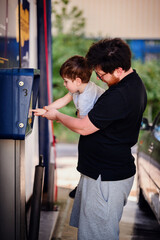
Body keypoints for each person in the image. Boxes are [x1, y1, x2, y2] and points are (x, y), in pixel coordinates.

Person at [38, 38, 147, 240]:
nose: (97, 78)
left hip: (105, 179)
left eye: (100, 74)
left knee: (98, 235)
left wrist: (58, 116)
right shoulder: (132, 83)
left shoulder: (121, 95)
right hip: (101, 174)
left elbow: (84, 127)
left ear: (119, 70)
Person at [33, 55, 105, 198]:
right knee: (85, 154)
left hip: (100, 133)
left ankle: (85, 186)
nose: (64, 84)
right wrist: (45, 110)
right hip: (92, 128)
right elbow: (63, 100)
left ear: (77, 81)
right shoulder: (78, 89)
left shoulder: (87, 97)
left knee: (89, 155)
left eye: (66, 81)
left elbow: (81, 124)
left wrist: (60, 118)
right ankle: (83, 183)